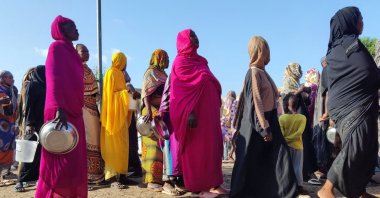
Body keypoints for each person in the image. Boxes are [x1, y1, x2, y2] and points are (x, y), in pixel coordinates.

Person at [318, 7, 380, 198]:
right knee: (355, 147)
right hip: (352, 107)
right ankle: (326, 189)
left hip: (357, 105)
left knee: (368, 149)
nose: (362, 22)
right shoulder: (346, 48)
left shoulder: (344, 48)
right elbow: (365, 72)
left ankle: (359, 191)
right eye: (360, 18)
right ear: (350, 22)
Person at [230, 36, 297, 198]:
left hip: (269, 119)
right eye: (266, 50)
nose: (269, 54)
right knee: (250, 161)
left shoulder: (262, 73)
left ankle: (283, 191)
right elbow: (256, 101)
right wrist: (263, 127)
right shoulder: (253, 73)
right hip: (257, 124)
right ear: (260, 52)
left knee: (277, 157)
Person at [170, 29, 228, 197]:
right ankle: (199, 189)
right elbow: (179, 94)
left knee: (213, 148)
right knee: (198, 151)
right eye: (192, 36)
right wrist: (190, 113)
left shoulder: (201, 61)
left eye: (196, 35)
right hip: (194, 118)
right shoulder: (179, 62)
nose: (196, 38)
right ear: (184, 41)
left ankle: (215, 184)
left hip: (209, 115)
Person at [35, 15, 87, 198]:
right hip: (60, 110)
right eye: (73, 27)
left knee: (74, 160)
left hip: (74, 110)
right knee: (59, 159)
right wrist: (59, 107)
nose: (77, 30)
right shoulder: (56, 48)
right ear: (62, 30)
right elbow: (54, 78)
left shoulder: (72, 52)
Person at [140, 49, 175, 194]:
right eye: (165, 57)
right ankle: (151, 181)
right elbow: (145, 93)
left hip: (160, 113)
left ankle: (159, 178)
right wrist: (148, 111)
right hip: (151, 112)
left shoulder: (163, 74)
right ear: (159, 58)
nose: (167, 60)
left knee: (161, 148)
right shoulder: (151, 72)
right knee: (152, 148)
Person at [100, 51, 132, 189]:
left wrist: (128, 91)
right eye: (125, 61)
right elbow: (111, 96)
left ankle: (123, 176)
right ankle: (112, 177)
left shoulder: (121, 74)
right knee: (112, 147)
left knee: (123, 147)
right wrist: (126, 92)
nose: (126, 64)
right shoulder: (111, 73)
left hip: (121, 117)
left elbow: (122, 95)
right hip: (112, 117)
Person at [282, 62, 318, 184]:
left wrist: (305, 91)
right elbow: (288, 99)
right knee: (300, 143)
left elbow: (303, 99)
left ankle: (306, 172)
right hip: (295, 118)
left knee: (306, 142)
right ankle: (303, 174)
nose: (299, 70)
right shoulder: (288, 82)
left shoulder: (295, 82)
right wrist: (300, 91)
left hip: (301, 116)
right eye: (297, 68)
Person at [76, 44, 106, 187]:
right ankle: (86, 176)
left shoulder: (87, 69)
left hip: (93, 109)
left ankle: (95, 175)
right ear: (76, 52)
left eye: (88, 51)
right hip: (82, 109)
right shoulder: (74, 67)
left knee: (95, 140)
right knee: (86, 140)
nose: (87, 53)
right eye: (84, 51)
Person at [15, 66, 45, 192]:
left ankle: (38, 178)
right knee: (28, 153)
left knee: (40, 153)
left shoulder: (45, 86)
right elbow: (28, 105)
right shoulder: (32, 86)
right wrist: (29, 124)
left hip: (43, 123)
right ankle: (20, 181)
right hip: (32, 123)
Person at [279, 93, 308, 195]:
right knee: (297, 167)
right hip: (298, 146)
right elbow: (299, 133)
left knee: (286, 167)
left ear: (286, 105)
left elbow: (282, 134)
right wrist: (291, 139)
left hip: (285, 147)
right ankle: (299, 187)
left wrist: (286, 140)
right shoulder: (302, 118)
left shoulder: (282, 118)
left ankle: (286, 187)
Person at [0, 70, 18, 187]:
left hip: (10, 125)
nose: (12, 79)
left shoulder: (13, 90)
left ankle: (6, 173)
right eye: (9, 77)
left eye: (12, 77)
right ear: (3, 78)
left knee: (10, 147)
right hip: (1, 124)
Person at [221, 91, 238, 161]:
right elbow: (233, 115)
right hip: (233, 124)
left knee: (225, 143)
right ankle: (229, 155)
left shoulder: (226, 104)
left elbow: (225, 114)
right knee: (235, 142)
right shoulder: (235, 103)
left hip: (225, 124)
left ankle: (226, 156)